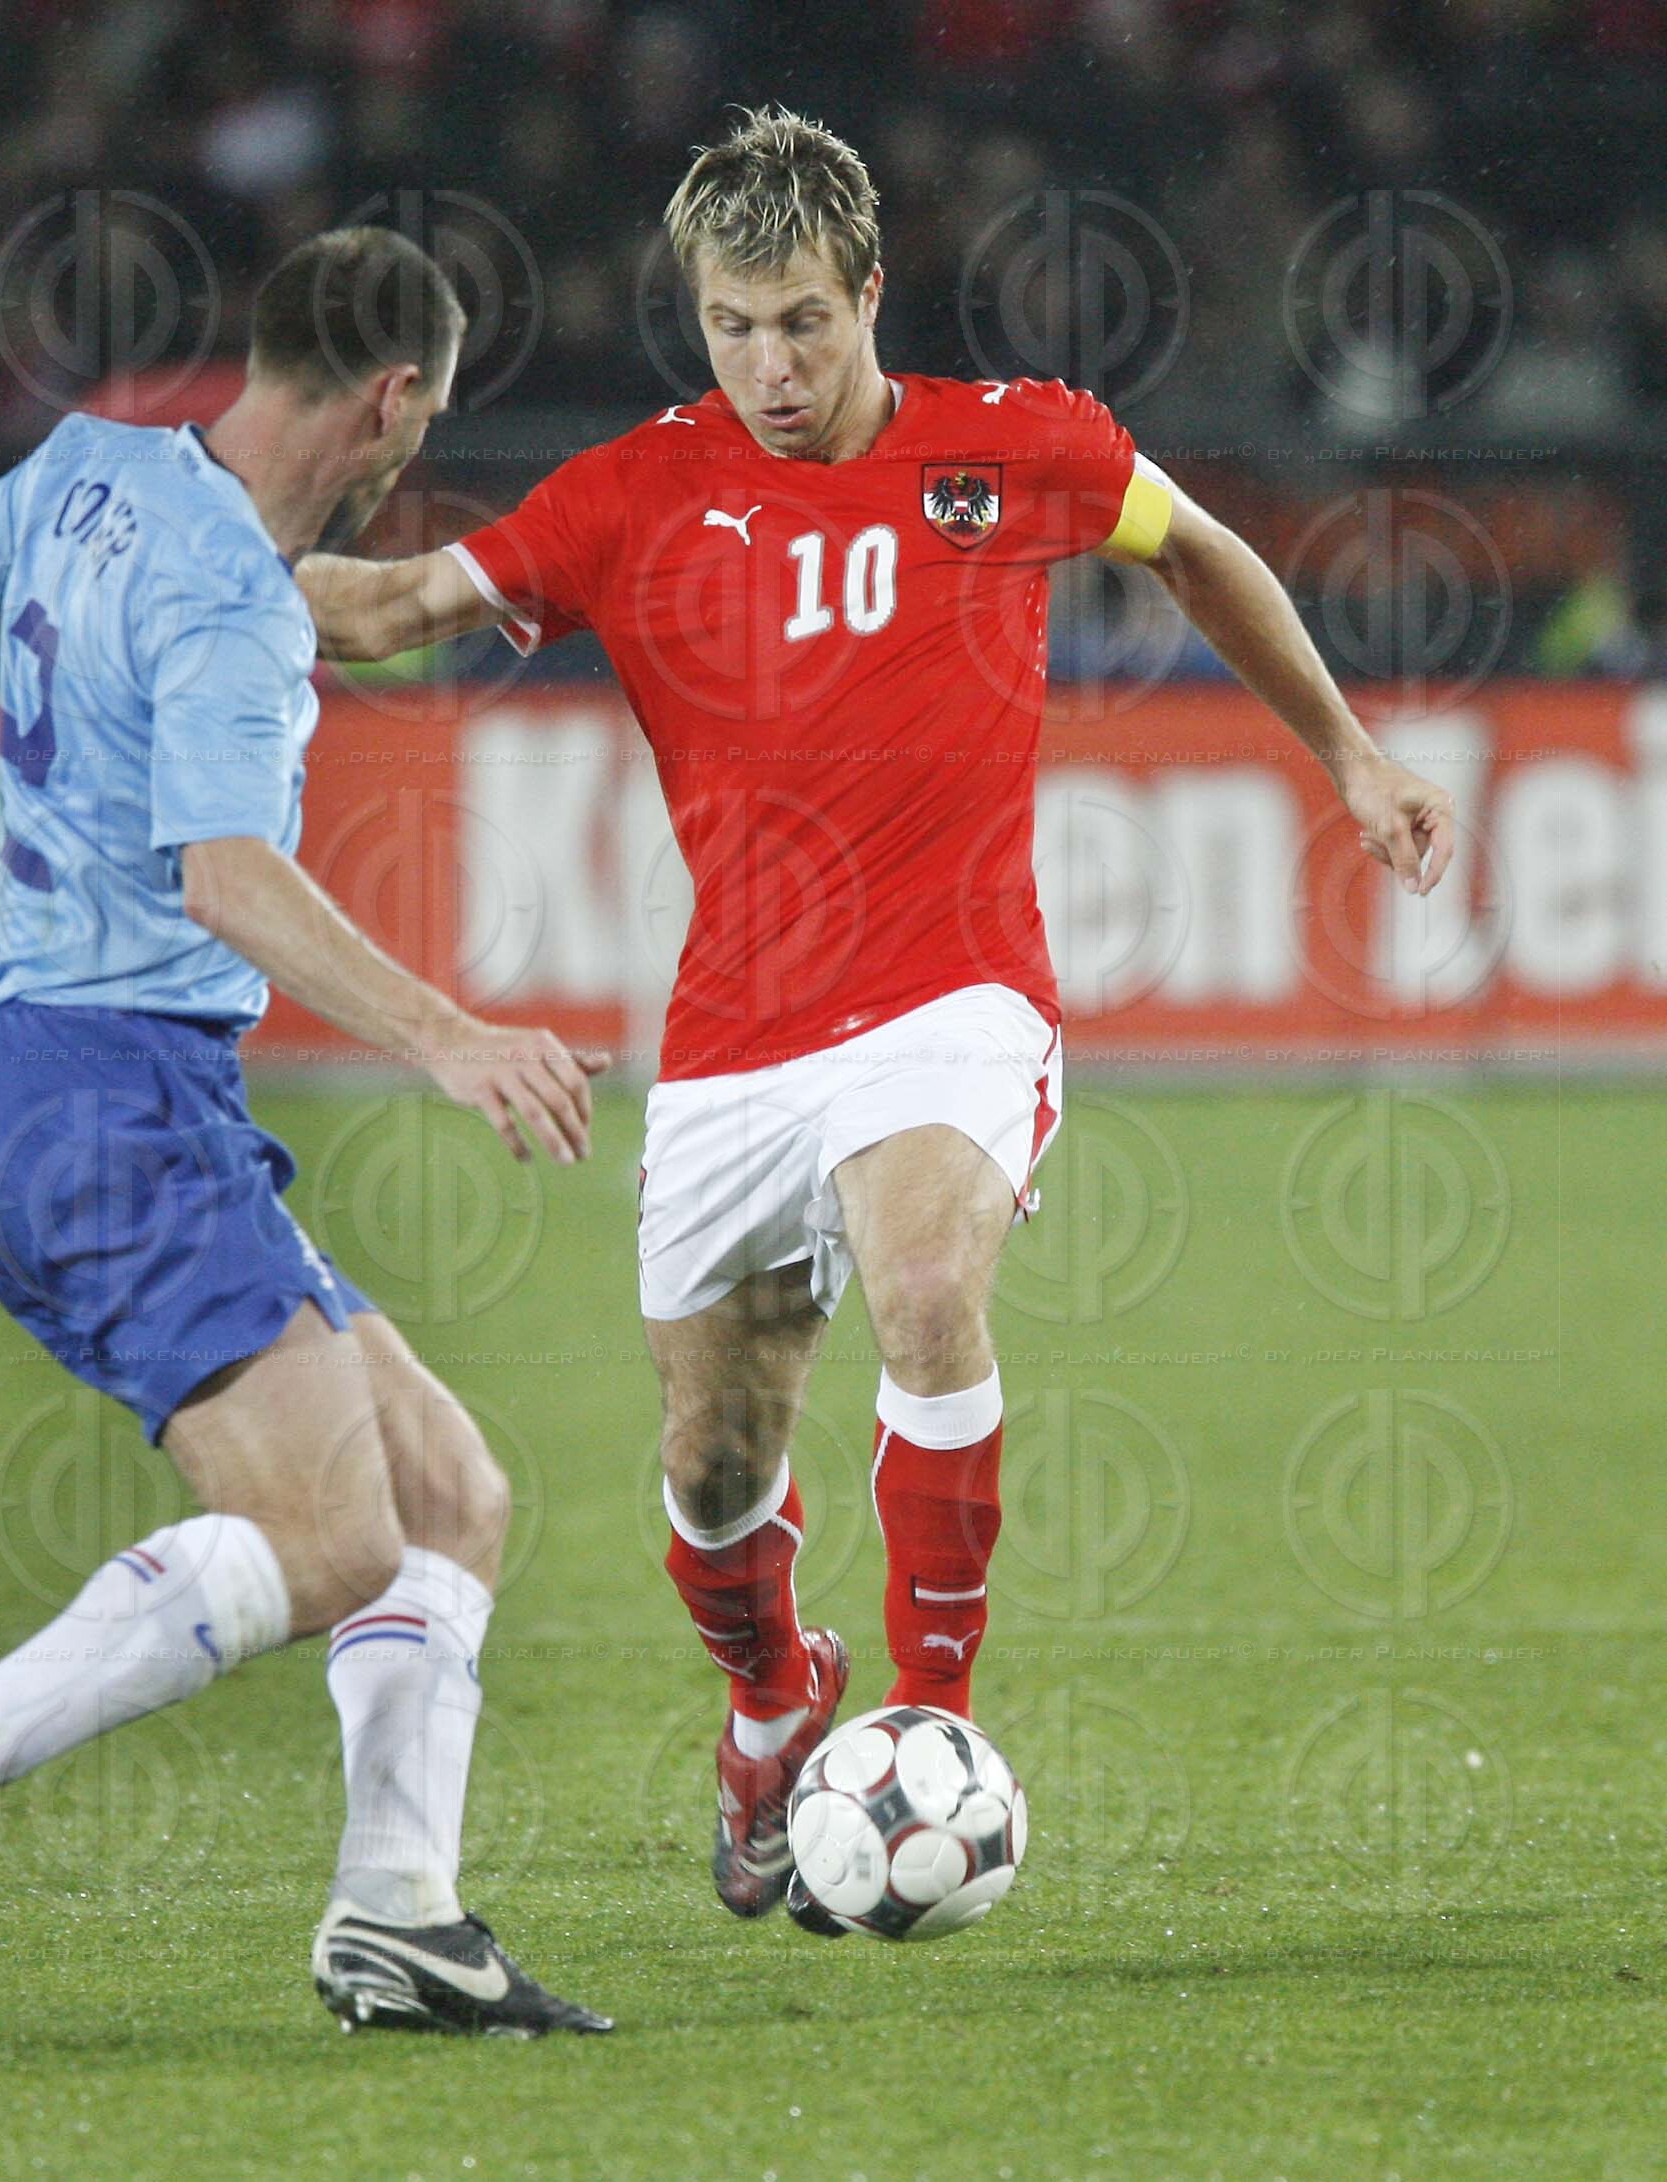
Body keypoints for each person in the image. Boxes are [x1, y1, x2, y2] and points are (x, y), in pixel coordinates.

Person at [294, 110, 1457, 1928]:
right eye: (732, 324)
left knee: (925, 1286)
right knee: (710, 1473)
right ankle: (776, 1701)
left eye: (803, 325)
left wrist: (1350, 750)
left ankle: (934, 1719)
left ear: (868, 298)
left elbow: (1202, 548)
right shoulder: (630, 493)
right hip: (736, 1042)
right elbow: (393, 606)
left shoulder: (1014, 449)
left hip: (950, 990)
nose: (767, 365)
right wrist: (186, 578)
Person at [0, 225, 611, 2035]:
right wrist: (452, 1033)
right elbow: (228, 870)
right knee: (326, 1543)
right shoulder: (239, 608)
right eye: (425, 422)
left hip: (64, 1094)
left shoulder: (88, 463)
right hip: (114, 1102)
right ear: (393, 398)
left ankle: (397, 1915)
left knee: (445, 1500)